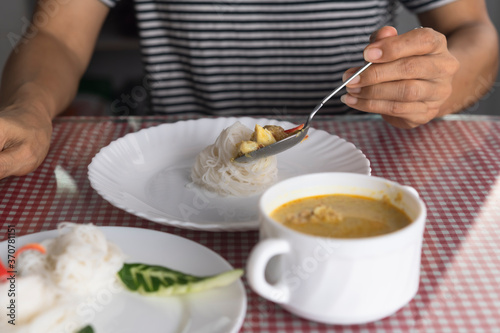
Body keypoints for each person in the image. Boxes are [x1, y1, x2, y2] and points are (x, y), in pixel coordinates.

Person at [0, 0, 498, 179]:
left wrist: (437, 87)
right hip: (171, 166)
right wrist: (28, 109)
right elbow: (55, 32)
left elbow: (475, 30)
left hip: (359, 160)